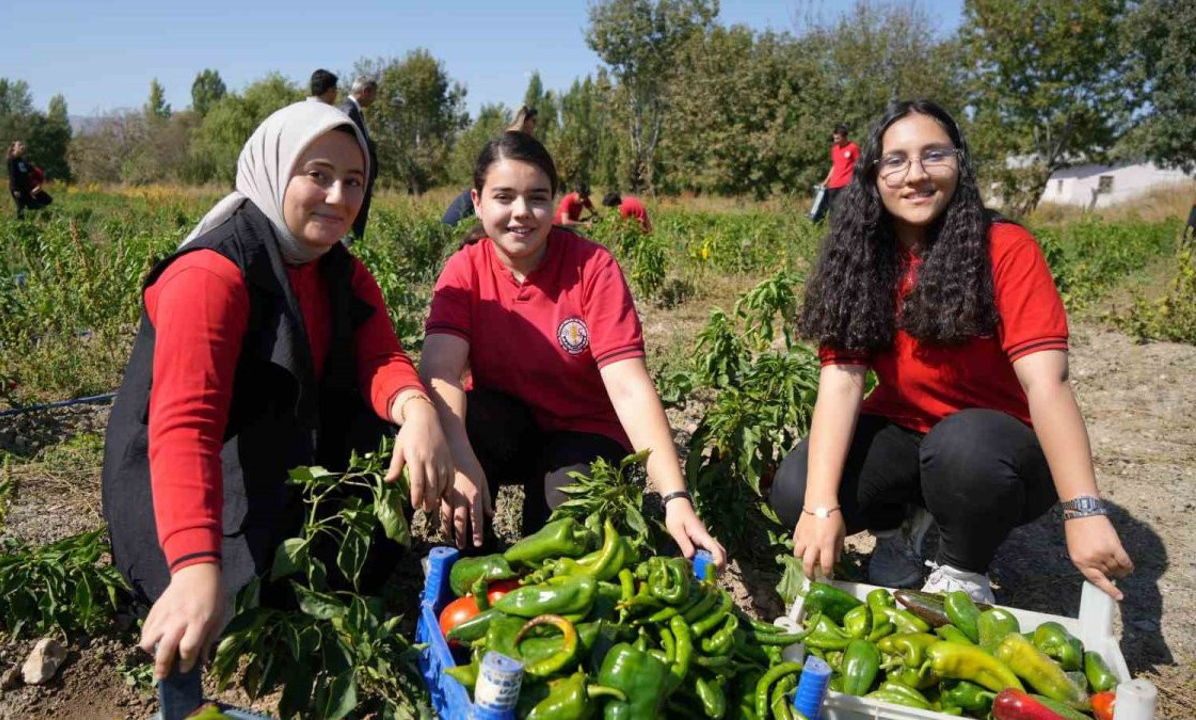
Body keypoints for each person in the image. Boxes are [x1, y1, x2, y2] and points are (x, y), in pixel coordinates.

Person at [101, 101, 453, 681]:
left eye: (354, 181)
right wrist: (192, 565)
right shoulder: (211, 274)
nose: (338, 197)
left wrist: (417, 409)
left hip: (282, 451)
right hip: (193, 472)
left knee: (365, 514)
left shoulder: (339, 269)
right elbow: (186, 427)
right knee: (239, 598)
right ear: (274, 168)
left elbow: (381, 356)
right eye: (317, 175)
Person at [770, 100, 1133, 604]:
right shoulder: (862, 258)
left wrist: (1085, 511)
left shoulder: (1004, 248)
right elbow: (843, 379)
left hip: (996, 446)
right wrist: (820, 508)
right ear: (873, 176)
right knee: (796, 488)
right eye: (895, 160)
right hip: (907, 432)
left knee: (962, 449)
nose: (914, 175)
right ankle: (900, 532)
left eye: (933, 155)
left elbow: (1046, 383)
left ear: (959, 163)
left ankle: (963, 568)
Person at [419, 131, 726, 571]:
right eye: (504, 197)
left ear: (554, 201)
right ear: (478, 201)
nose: (521, 213)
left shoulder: (592, 268)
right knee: (465, 424)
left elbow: (628, 387)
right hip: (510, 428)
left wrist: (675, 497)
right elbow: (441, 372)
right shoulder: (465, 269)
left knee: (558, 541)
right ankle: (475, 560)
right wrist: (460, 461)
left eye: (537, 197)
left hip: (584, 431)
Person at [342, 76, 379, 241]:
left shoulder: (356, 112)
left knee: (358, 228)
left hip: (360, 181)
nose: (373, 100)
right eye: (373, 95)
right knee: (352, 228)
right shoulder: (349, 111)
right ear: (366, 91)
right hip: (355, 181)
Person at [812, 123, 860, 224]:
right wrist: (826, 181)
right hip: (833, 184)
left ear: (844, 137)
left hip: (846, 184)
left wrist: (856, 181)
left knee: (844, 209)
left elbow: (859, 165)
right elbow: (834, 166)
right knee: (833, 211)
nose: (835, 141)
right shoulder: (834, 149)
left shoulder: (853, 148)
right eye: (834, 138)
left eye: (837, 138)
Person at [7, 140, 52, 219]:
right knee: (20, 209)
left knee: (41, 204)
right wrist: (15, 190)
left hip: (25, 188)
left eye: (23, 145)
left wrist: (39, 183)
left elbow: (33, 170)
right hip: (17, 189)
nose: (22, 146)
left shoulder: (22, 161)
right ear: (14, 148)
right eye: (20, 145)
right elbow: (12, 176)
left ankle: (40, 219)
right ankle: (20, 227)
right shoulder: (12, 160)